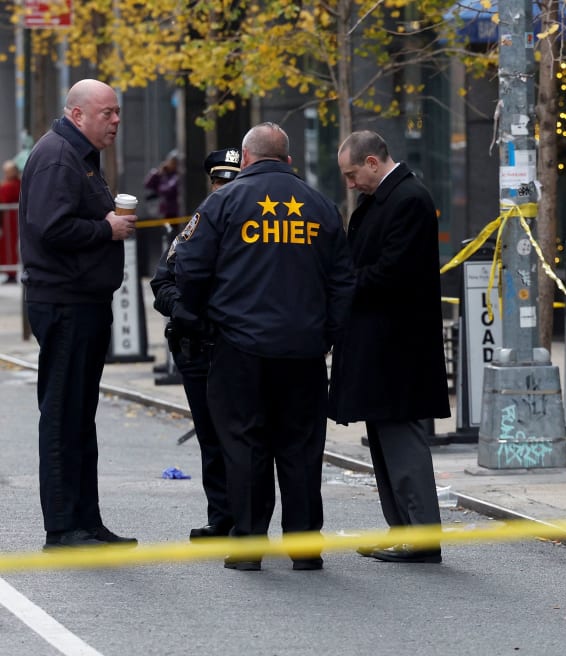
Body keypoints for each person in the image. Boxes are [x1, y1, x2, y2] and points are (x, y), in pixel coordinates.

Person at [175, 123, 353, 571]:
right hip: (304, 351)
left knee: (245, 444)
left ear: (246, 160)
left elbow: (190, 268)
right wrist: (327, 334)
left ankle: (250, 544)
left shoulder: (223, 201)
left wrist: (198, 320)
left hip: (240, 348)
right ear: (289, 160)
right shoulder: (321, 206)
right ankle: (305, 547)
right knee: (301, 447)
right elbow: (343, 282)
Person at [18, 79, 138, 550]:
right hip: (64, 302)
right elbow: (49, 227)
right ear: (77, 114)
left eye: (118, 113)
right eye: (107, 113)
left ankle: (87, 521)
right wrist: (103, 228)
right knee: (63, 415)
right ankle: (64, 526)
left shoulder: (80, 155)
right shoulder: (56, 156)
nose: (115, 121)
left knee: (80, 416)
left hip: (84, 301)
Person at [328, 130, 450, 564]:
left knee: (402, 441)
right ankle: (403, 529)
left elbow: (391, 272)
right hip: (382, 343)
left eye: (352, 173)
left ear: (373, 163)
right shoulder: (385, 199)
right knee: (383, 440)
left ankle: (419, 535)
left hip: (398, 347)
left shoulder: (408, 199)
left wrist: (342, 286)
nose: (349, 183)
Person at [150, 148, 241, 541]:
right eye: (219, 183)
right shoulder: (195, 226)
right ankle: (221, 515)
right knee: (210, 437)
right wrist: (185, 312)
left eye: (230, 183)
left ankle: (248, 519)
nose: (223, 190)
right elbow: (161, 283)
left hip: (239, 348)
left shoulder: (252, 231)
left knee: (243, 437)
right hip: (198, 349)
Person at [144, 149, 181, 219]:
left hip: (174, 212)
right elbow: (147, 184)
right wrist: (157, 173)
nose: (170, 163)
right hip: (164, 211)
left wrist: (158, 189)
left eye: (173, 162)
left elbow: (167, 190)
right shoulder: (164, 173)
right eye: (170, 161)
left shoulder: (177, 176)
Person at [0, 160, 20, 282]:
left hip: (12, 221)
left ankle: (11, 273)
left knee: (10, 246)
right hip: (7, 221)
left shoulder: (14, 184)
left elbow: (4, 197)